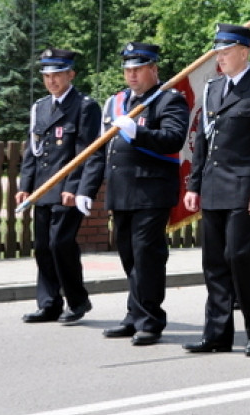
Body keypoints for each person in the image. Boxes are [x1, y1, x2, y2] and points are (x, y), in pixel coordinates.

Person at [78, 42, 188, 345]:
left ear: (153, 69)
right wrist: (87, 189)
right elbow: (100, 150)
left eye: (138, 69)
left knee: (146, 257)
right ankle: (134, 315)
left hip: (151, 192)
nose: (132, 75)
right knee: (129, 256)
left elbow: (173, 139)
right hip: (121, 192)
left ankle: (150, 321)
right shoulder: (115, 103)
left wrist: (137, 132)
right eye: (128, 70)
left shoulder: (168, 100)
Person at [182, 23, 250, 357]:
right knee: (214, 263)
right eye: (218, 53)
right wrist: (194, 184)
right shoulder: (213, 88)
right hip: (213, 187)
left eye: (225, 52)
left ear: (244, 52)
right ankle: (217, 335)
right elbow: (202, 142)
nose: (220, 58)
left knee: (239, 258)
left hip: (244, 188)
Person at [16, 48, 102, 324]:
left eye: (57, 74)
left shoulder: (85, 106)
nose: (51, 80)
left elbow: (86, 152)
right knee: (43, 247)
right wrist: (25, 185)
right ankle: (49, 303)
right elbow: (33, 150)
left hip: (67, 188)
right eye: (47, 75)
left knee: (60, 244)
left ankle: (77, 301)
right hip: (43, 187)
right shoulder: (40, 107)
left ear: (71, 74)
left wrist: (75, 188)